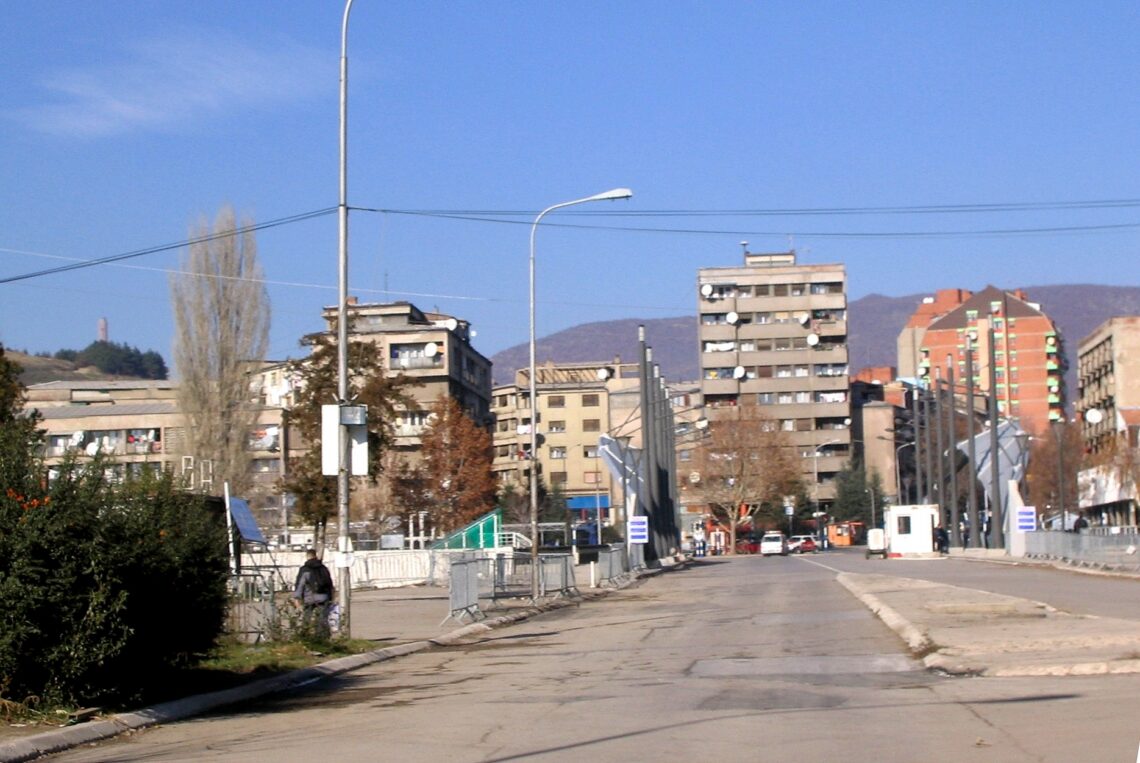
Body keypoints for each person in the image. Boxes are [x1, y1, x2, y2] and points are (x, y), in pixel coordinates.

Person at [293, 549, 334, 639]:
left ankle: (305, 636)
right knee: (322, 619)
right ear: (316, 556)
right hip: (323, 597)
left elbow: (300, 584)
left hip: (309, 598)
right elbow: (329, 584)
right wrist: (330, 597)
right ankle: (322, 638)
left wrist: (297, 598)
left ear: (307, 557)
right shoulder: (323, 568)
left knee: (307, 618)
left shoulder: (304, 570)